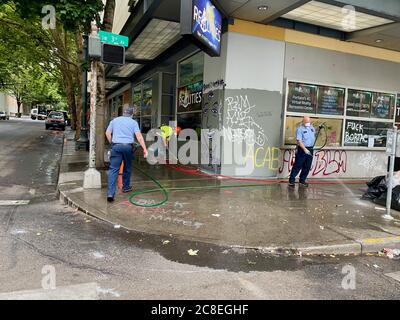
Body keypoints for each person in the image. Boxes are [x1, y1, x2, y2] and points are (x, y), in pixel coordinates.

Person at [105, 106, 148, 202]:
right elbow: (139, 137)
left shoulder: (114, 121)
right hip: (128, 147)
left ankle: (110, 193)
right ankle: (126, 187)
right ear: (131, 114)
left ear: (123, 113)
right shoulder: (133, 122)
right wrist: (145, 149)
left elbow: (107, 133)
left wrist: (112, 143)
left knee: (113, 170)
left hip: (116, 147)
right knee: (127, 168)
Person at [289, 116, 316, 188]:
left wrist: (318, 128)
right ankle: (291, 180)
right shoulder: (300, 129)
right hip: (302, 149)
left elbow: (313, 135)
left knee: (307, 166)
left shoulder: (312, 128)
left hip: (310, 149)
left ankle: (302, 180)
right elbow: (299, 141)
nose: (308, 123)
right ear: (303, 121)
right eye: (306, 122)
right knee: (298, 165)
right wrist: (304, 149)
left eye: (309, 122)